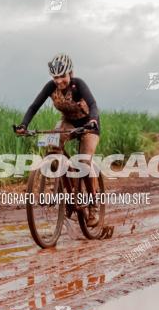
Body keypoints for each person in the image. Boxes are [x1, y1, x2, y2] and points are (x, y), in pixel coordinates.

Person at [14, 53, 101, 225]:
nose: (59, 80)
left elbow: (93, 105)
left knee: (84, 162)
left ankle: (94, 205)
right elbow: (34, 106)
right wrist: (23, 125)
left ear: (70, 73)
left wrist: (92, 120)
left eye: (62, 76)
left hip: (88, 125)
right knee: (52, 145)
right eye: (55, 77)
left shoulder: (78, 85)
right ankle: (66, 187)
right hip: (68, 123)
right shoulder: (50, 87)